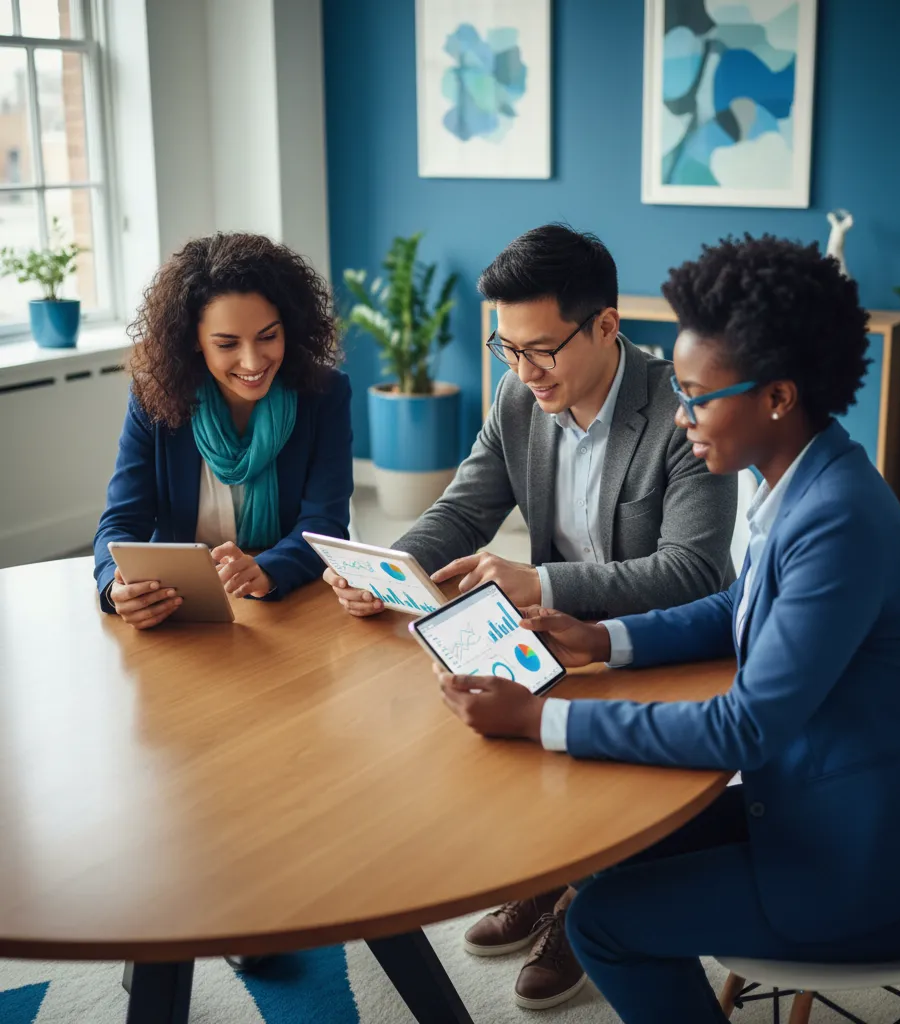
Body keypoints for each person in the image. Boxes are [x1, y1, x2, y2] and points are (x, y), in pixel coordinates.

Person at [433, 235, 900, 1020]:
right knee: (604, 846)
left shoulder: (838, 520)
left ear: (776, 396)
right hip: (836, 800)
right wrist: (600, 639)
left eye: (699, 396)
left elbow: (744, 730)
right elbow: (735, 606)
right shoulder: (805, 477)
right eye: (680, 388)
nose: (681, 415)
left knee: (606, 923)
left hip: (881, 864)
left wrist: (541, 717)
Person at [324, 224, 737, 1007]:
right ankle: (553, 878)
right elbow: (464, 508)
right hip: (559, 635)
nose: (522, 369)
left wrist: (542, 582)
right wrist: (389, 571)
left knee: (566, 736)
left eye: (541, 349)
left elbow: (694, 572)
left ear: (606, 327)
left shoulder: (683, 410)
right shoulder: (519, 396)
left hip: (668, 645)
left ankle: (586, 900)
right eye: (505, 348)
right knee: (469, 713)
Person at [94, 231, 353, 631]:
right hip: (179, 610)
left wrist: (267, 569)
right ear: (194, 342)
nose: (252, 361)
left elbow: (325, 525)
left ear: (290, 327)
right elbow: (122, 522)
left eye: (268, 336)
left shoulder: (325, 394)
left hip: (286, 610)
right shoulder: (155, 397)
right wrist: (116, 585)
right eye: (227, 344)